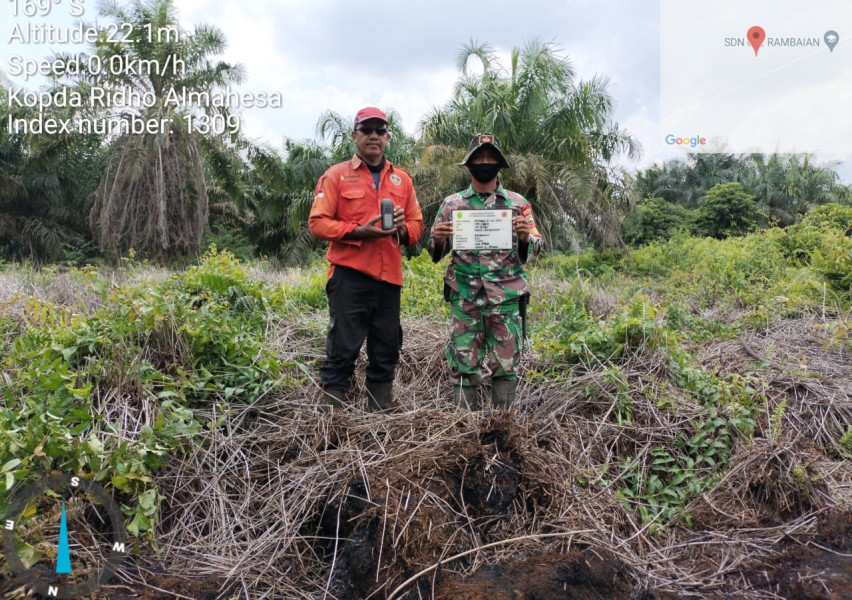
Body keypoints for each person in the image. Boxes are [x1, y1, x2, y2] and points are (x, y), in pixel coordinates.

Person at [309, 107, 424, 411]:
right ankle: (331, 422)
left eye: (380, 130)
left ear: (387, 136)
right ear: (354, 135)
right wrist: (359, 232)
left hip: (389, 281)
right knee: (341, 350)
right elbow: (317, 223)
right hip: (350, 276)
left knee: (386, 350)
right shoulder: (336, 175)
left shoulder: (402, 179)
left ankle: (380, 419)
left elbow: (417, 224)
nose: (374, 136)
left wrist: (401, 231)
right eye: (366, 130)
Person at [429, 133, 542, 409]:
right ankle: (465, 432)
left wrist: (526, 238)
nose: (485, 162)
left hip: (505, 299)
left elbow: (537, 244)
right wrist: (439, 238)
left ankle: (503, 432)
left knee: (506, 366)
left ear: (500, 164)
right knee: (462, 366)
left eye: (491, 157)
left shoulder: (518, 204)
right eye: (479, 157)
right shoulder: (451, 204)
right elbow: (433, 250)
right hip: (465, 298)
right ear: (469, 164)